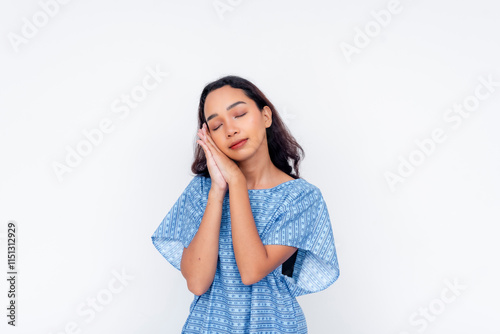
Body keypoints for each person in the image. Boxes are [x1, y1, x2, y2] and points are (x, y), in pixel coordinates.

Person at [151, 75, 340, 333]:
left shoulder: (300, 197)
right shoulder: (202, 190)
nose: (230, 129)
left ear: (265, 116)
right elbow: (197, 282)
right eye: (216, 126)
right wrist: (218, 190)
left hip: (275, 325)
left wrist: (237, 182)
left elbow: (251, 270)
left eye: (239, 114)